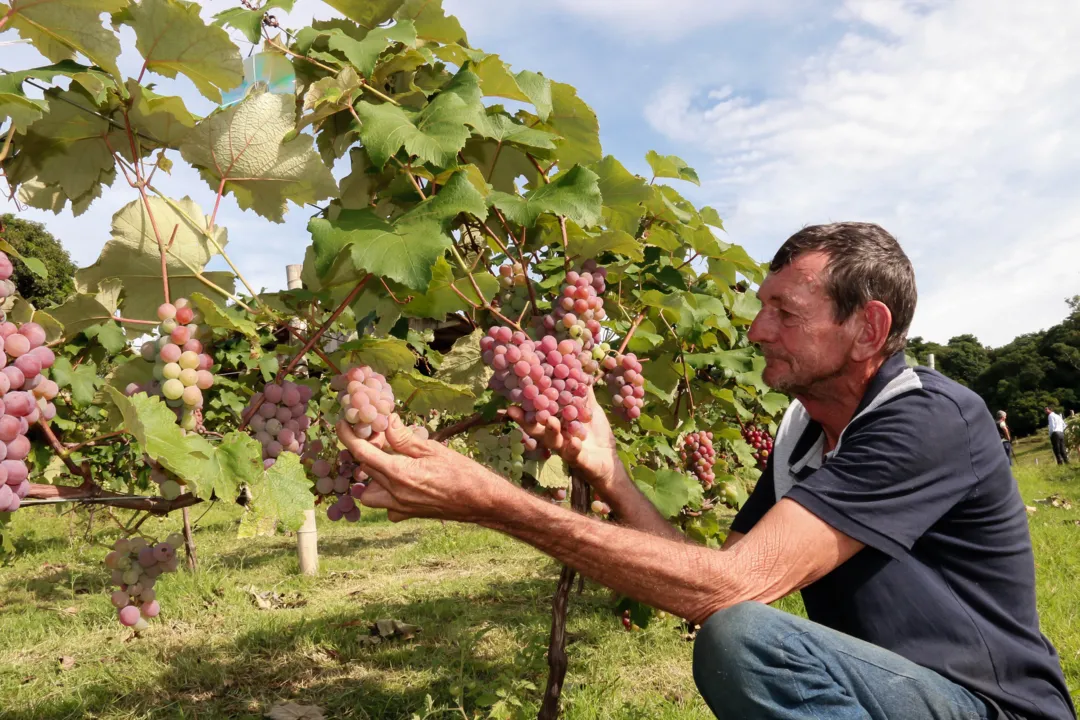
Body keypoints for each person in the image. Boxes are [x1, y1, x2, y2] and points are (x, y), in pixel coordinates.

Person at [338, 222, 1074, 720]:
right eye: (762, 309)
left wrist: (492, 502)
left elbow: (732, 594)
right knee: (736, 628)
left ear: (868, 329)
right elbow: (713, 577)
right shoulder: (801, 433)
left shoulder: (929, 418)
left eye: (785, 313)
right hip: (890, 696)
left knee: (744, 640)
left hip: (989, 706)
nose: (757, 330)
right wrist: (611, 474)